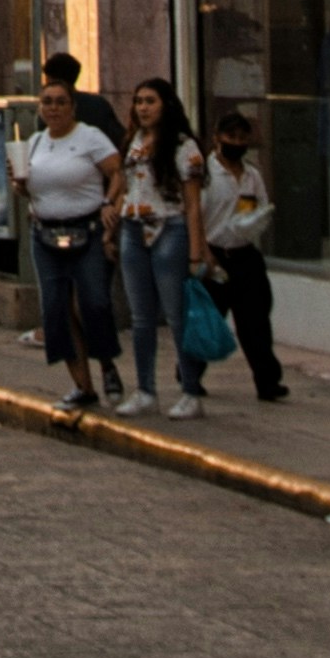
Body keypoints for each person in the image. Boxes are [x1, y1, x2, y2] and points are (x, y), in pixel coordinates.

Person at [8, 71, 124, 413]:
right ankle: (81, 385)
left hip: (85, 231)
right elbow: (26, 188)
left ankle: (106, 363)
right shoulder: (35, 143)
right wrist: (19, 185)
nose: (54, 108)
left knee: (94, 303)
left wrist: (109, 205)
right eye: (47, 102)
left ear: (73, 107)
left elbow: (117, 171)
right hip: (45, 233)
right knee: (56, 308)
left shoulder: (90, 138)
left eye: (61, 102)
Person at [106, 78, 199, 418]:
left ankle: (190, 390)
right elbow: (126, 188)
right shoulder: (133, 141)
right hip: (132, 227)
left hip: (169, 228)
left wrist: (196, 250)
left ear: (166, 105)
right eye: (138, 101)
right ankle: (146, 390)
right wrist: (110, 225)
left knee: (176, 315)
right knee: (141, 317)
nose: (143, 108)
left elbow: (192, 204)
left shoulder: (182, 146)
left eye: (150, 101)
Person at [195, 105, 289, 405]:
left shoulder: (252, 176)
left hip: (245, 255)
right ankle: (190, 375)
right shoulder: (206, 175)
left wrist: (255, 222)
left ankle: (267, 381)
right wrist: (203, 255)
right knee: (208, 321)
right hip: (215, 255)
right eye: (230, 136)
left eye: (241, 137)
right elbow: (195, 217)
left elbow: (260, 208)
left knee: (255, 322)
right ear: (217, 138)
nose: (236, 142)